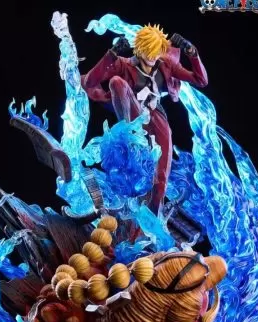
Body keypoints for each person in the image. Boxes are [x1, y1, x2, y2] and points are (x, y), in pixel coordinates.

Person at [81, 24, 208, 215]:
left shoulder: (166, 65)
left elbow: (201, 80)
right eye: (149, 52)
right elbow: (91, 81)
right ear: (139, 49)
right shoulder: (124, 65)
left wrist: (192, 52)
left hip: (156, 116)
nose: (152, 57)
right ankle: (127, 132)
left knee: (161, 177)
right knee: (116, 82)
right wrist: (112, 54)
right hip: (134, 115)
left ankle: (153, 218)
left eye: (156, 52)